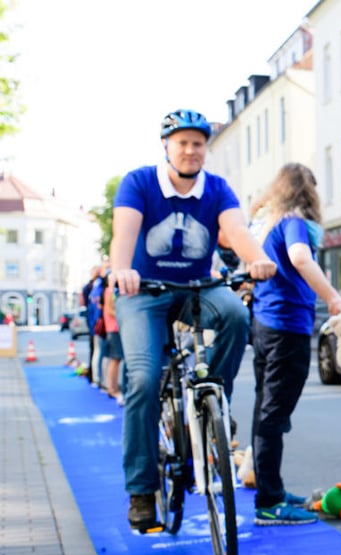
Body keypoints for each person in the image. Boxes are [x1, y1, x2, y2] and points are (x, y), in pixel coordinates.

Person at [108, 108, 276, 531]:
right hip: (143, 290)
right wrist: (121, 268)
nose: (190, 150)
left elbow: (236, 230)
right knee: (144, 379)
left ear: (205, 149)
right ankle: (142, 490)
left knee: (237, 314)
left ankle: (211, 398)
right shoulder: (140, 182)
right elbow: (123, 234)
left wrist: (257, 259)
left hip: (198, 287)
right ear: (166, 146)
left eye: (198, 143)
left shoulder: (216, 189)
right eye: (181, 142)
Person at [249, 162, 341, 526]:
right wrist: (333, 297)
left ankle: (271, 489)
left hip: (263, 324)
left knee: (266, 412)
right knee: (273, 415)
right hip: (287, 326)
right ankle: (270, 501)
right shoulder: (293, 223)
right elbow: (301, 258)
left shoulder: (267, 223)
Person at [101, 279, 124, 406]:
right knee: (115, 359)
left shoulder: (110, 291)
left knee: (116, 359)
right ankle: (112, 388)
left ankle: (113, 387)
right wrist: (125, 315)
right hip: (114, 328)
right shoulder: (110, 291)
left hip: (114, 328)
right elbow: (110, 310)